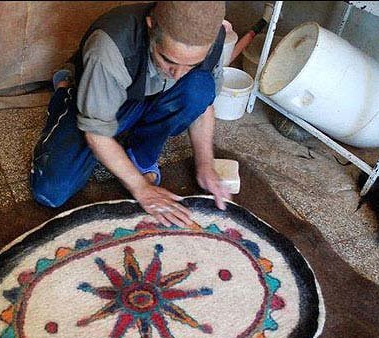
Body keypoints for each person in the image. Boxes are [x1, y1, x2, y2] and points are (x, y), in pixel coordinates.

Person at [30, 1, 231, 228]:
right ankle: (63, 89)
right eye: (169, 60)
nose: (178, 75)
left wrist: (205, 164)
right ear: (151, 26)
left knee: (200, 87)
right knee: (51, 192)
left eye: (192, 64)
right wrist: (141, 188)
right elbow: (97, 133)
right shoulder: (109, 47)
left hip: (148, 98)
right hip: (107, 101)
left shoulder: (212, 38)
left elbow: (203, 106)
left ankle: (139, 155)